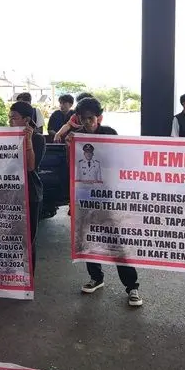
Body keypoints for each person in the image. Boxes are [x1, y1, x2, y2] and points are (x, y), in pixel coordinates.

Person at [68, 97, 143, 307]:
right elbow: (73, 168)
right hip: (85, 196)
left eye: (91, 118)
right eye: (83, 118)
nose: (87, 122)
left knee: (116, 242)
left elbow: (121, 160)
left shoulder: (109, 133)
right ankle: (96, 278)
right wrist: (70, 147)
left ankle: (132, 286)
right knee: (88, 240)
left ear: (98, 117)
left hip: (108, 196)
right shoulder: (77, 136)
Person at [9, 101, 45, 272]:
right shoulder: (8, 137)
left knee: (28, 239)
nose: (10, 122)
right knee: (11, 237)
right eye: (9, 118)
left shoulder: (37, 139)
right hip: (11, 194)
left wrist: (28, 141)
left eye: (14, 118)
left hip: (30, 194)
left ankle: (28, 277)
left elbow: (30, 166)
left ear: (26, 120)